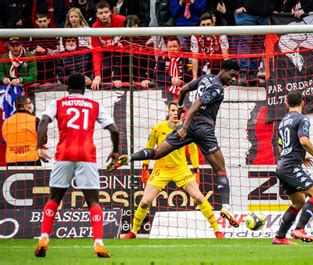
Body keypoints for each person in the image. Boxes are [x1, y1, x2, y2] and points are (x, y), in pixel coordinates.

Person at [108, 59, 241, 228]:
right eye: (232, 74)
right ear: (223, 70)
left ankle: (129, 158)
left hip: (190, 125)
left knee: (157, 153)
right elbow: (198, 102)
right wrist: (184, 127)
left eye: (236, 76)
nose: (233, 79)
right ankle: (226, 207)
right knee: (221, 170)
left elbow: (184, 89)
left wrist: (179, 107)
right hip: (203, 129)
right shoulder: (217, 88)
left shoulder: (205, 78)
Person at [34, 73, 119, 258]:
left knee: (54, 198)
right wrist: (116, 151)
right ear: (84, 88)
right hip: (86, 155)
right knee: (93, 201)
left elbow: (43, 122)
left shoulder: (58, 103)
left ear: (67, 88)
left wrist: (39, 146)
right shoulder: (94, 105)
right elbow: (114, 129)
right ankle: (98, 242)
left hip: (63, 153)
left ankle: (43, 238)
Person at [121, 101, 224, 239]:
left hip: (181, 169)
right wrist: (145, 168)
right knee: (145, 201)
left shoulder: (187, 129)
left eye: (178, 111)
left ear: (182, 114)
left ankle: (217, 231)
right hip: (161, 169)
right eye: (173, 110)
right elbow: (149, 147)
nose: (176, 113)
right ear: (168, 112)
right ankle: (133, 232)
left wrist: (196, 170)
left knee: (199, 197)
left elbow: (193, 151)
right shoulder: (157, 129)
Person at [271, 90, 313, 245]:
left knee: (298, 202)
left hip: (282, 165)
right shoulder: (302, 119)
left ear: (286, 103)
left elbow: (281, 146)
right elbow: (303, 141)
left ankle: (280, 237)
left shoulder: (283, 121)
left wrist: (300, 157)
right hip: (291, 166)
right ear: (303, 102)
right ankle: (299, 229)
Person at [2, 96, 42, 166]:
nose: (31, 105)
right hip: (31, 160)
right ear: (25, 106)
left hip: (12, 160)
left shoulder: (6, 122)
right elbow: (43, 140)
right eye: (29, 103)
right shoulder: (35, 120)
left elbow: (5, 139)